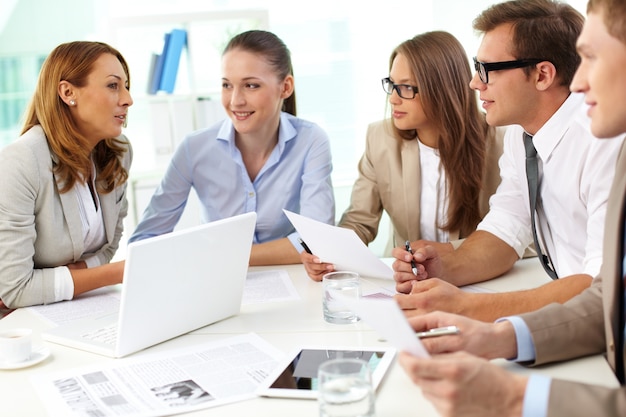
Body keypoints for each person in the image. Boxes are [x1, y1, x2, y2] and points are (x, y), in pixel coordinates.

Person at [398, 0, 626, 415]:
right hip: (582, 333)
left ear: (541, 74)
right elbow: (508, 225)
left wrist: (470, 309)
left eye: (486, 69)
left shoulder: (607, 141)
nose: (473, 83)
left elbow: (598, 284)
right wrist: (449, 268)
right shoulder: (524, 136)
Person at [301, 31, 504, 281]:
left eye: (406, 87)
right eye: (392, 85)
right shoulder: (380, 138)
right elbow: (359, 221)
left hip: (480, 277)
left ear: (442, 89)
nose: (394, 98)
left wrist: (452, 250)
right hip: (404, 280)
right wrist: (327, 254)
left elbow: (520, 238)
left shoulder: (502, 142)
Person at [129, 30, 334, 266]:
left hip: (291, 281)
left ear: (285, 87)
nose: (235, 100)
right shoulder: (194, 149)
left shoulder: (311, 141)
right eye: (227, 85)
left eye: (251, 85)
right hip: (216, 283)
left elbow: (318, 239)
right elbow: (143, 242)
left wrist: (219, 255)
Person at [0, 41, 133, 310]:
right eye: (113, 85)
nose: (127, 99)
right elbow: (15, 288)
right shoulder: (22, 161)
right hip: (18, 320)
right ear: (68, 92)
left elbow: (107, 248)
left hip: (74, 306)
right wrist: (122, 272)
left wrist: (73, 276)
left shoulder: (118, 152)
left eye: (126, 86)